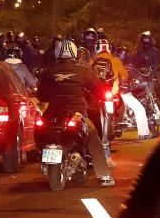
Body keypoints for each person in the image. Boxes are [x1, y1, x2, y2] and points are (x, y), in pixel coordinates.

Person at [36, 39, 115, 187]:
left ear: (57, 53)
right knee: (94, 140)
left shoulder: (49, 71)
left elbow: (41, 95)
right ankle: (104, 176)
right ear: (75, 53)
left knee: (42, 129)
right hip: (76, 112)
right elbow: (98, 89)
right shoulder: (83, 70)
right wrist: (102, 94)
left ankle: (46, 161)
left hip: (53, 113)